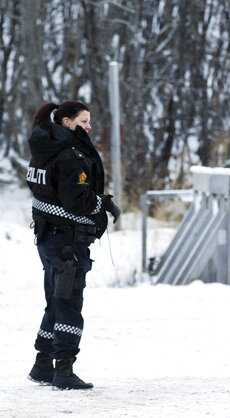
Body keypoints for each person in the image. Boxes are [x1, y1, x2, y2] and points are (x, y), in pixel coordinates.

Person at [25, 100, 121, 390]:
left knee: (55, 300)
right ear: (66, 122)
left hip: (48, 238)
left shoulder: (44, 149)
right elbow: (76, 200)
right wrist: (102, 203)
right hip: (66, 241)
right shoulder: (70, 156)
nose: (89, 127)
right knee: (69, 302)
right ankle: (63, 370)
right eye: (83, 122)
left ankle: (43, 364)